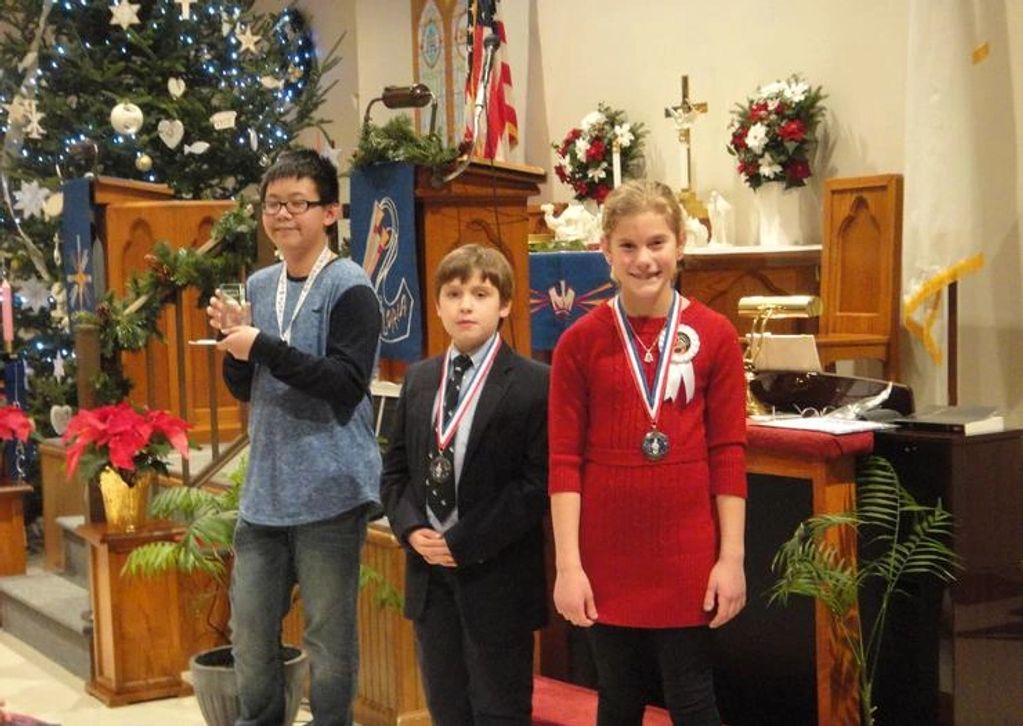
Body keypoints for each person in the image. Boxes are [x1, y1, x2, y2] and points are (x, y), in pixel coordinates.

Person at [548, 180, 747, 726]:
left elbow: (728, 452)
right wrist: (569, 566)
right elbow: (564, 463)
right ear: (605, 251)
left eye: (657, 243)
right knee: (617, 696)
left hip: (688, 550)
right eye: (628, 246)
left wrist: (731, 559)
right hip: (606, 553)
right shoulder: (579, 343)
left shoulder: (716, 335)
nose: (644, 259)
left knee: (692, 696)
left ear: (681, 244)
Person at [208, 148, 382, 726]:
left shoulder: (350, 286)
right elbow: (247, 385)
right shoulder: (260, 284)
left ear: (330, 212)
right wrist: (235, 343)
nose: (282, 216)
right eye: (272, 205)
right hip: (265, 492)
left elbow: (344, 383)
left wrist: (259, 345)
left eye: (297, 204)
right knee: (250, 634)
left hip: (331, 490)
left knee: (328, 640)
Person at [381, 244, 549, 726]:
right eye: (454, 293)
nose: (466, 305)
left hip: (495, 574)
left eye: (480, 292)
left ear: (505, 305)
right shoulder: (419, 379)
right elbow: (394, 474)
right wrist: (414, 531)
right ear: (436, 305)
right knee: (447, 708)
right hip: (430, 577)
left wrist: (462, 541)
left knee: (499, 710)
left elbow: (535, 483)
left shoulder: (534, 383)